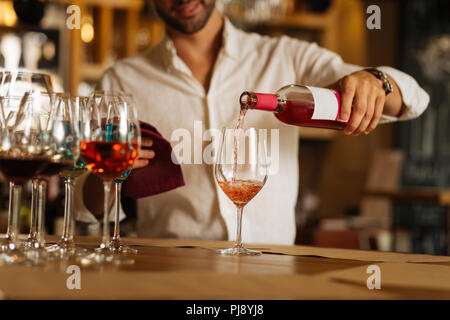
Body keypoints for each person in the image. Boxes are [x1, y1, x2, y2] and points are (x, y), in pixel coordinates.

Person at [75, 0, 429, 245]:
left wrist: (375, 80)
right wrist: (107, 174)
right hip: (170, 267)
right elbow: (86, 209)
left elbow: (412, 99)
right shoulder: (122, 80)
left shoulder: (287, 57)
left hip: (273, 270)